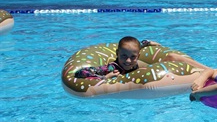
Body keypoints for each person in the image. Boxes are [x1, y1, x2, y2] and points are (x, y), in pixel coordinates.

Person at [75, 36, 209, 79]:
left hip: (153, 68)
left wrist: (148, 43)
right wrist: (105, 77)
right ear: (117, 54)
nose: (128, 61)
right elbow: (80, 73)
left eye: (133, 57)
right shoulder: (111, 68)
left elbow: (141, 44)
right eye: (123, 56)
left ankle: (209, 70)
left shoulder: (137, 56)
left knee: (172, 56)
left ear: (138, 55)